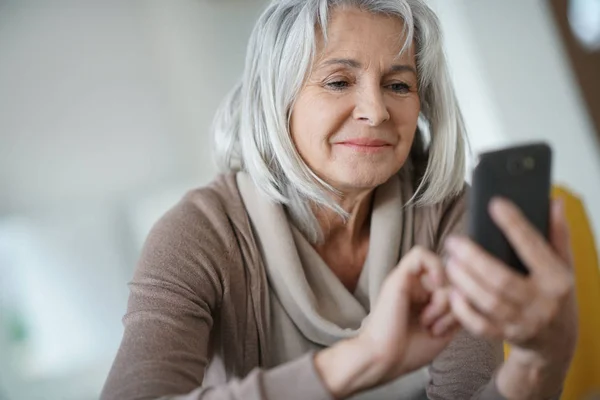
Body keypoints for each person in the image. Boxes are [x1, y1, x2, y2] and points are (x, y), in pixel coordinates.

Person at [101, 0, 578, 399]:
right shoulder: (198, 233)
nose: (375, 111)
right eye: (338, 81)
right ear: (277, 99)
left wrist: (541, 359)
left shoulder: (448, 213)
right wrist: (366, 356)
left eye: (398, 85)